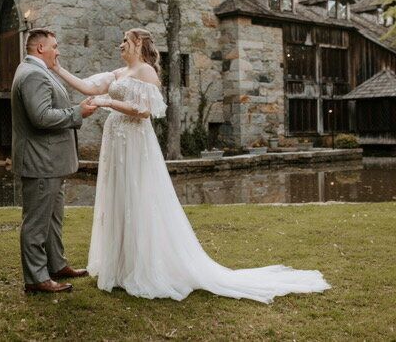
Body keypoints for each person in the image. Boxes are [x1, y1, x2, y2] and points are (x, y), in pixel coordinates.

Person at [52, 28, 331, 302]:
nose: (120, 45)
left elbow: (144, 111)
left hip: (135, 143)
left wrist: (108, 101)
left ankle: (142, 267)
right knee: (119, 197)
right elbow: (89, 86)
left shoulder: (146, 72)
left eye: (125, 40)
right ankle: (122, 267)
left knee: (136, 196)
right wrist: (58, 69)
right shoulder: (118, 73)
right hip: (116, 143)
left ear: (138, 44)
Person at [11, 28, 96, 294]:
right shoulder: (33, 74)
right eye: (55, 46)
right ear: (40, 48)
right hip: (41, 162)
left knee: (53, 218)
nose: (58, 51)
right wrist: (77, 112)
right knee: (37, 222)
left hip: (50, 162)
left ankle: (56, 264)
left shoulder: (35, 70)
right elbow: (41, 117)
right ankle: (36, 278)